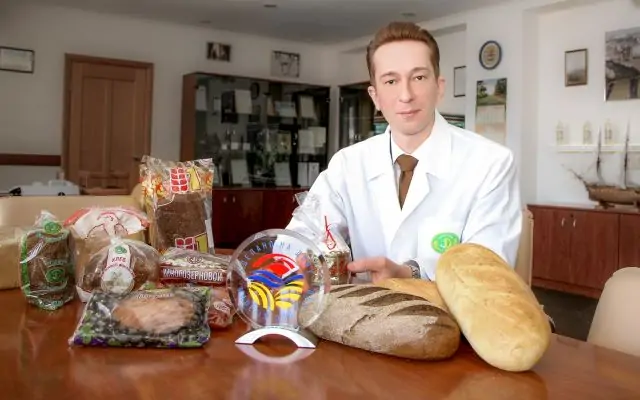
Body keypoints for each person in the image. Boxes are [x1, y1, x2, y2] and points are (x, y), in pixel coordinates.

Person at [285, 21, 522, 283]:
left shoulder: (490, 163)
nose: (406, 95)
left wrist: (412, 274)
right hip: (363, 307)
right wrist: (304, 258)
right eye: (391, 81)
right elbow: (300, 238)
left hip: (447, 309)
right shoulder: (348, 164)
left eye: (418, 78)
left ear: (439, 87)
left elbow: (487, 269)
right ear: (375, 96)